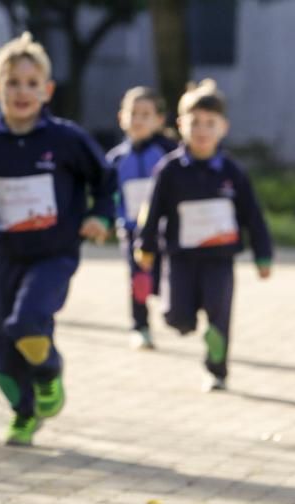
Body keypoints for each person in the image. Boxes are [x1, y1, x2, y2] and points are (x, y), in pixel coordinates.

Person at [0, 33, 115, 446]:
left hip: (54, 254)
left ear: (47, 90)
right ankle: (24, 413)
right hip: (7, 256)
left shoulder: (66, 139)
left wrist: (99, 215)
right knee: (2, 343)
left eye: (31, 83)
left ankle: (48, 372)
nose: (22, 91)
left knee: (27, 322)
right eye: (12, 82)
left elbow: (103, 179)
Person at [135, 79, 273, 392]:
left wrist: (263, 254)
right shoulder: (169, 170)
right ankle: (184, 321)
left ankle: (217, 370)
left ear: (223, 127)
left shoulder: (233, 172)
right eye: (195, 122)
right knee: (176, 316)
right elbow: (152, 211)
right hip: (181, 258)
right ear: (180, 125)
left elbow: (253, 215)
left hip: (219, 261)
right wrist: (144, 246)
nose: (202, 130)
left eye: (210, 123)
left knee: (219, 315)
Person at [105, 87, 177, 350]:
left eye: (145, 114)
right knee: (138, 280)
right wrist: (108, 220)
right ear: (121, 117)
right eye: (133, 113)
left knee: (163, 277)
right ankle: (140, 326)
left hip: (164, 231)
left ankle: (175, 310)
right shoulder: (115, 159)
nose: (138, 120)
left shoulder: (169, 154)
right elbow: (108, 195)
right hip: (132, 231)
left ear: (159, 120)